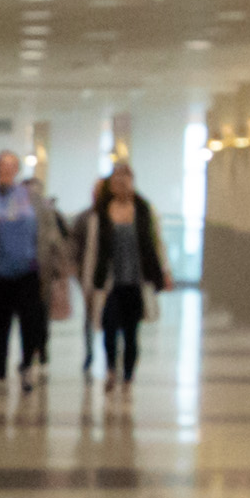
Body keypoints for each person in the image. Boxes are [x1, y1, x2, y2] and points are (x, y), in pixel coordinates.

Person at [0, 148, 54, 393]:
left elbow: (46, 231)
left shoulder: (32, 200)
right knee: (1, 326)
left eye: (11, 166)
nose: (6, 170)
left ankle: (26, 366)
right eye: (2, 166)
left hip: (28, 273)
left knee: (30, 324)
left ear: (17, 170)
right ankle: (1, 373)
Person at [81, 157, 171, 388]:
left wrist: (164, 270)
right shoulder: (101, 215)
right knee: (109, 327)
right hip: (110, 283)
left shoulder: (144, 211)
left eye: (125, 181)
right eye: (116, 182)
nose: (121, 186)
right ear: (111, 186)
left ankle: (128, 373)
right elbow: (93, 249)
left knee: (131, 332)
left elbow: (157, 243)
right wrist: (89, 281)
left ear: (132, 182)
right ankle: (111, 369)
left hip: (135, 282)